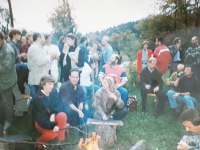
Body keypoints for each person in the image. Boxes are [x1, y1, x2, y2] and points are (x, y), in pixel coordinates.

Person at [32, 75, 67, 150]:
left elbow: (59, 105)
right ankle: (39, 142)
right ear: (43, 84)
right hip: (40, 122)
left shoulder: (53, 91)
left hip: (51, 117)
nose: (52, 86)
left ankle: (59, 143)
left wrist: (53, 114)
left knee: (62, 115)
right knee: (52, 135)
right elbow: (41, 119)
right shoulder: (37, 98)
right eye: (49, 84)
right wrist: (53, 125)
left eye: (53, 84)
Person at [0, 31, 17, 130]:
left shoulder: (8, 51)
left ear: (0, 40)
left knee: (7, 102)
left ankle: (8, 121)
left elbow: (6, 67)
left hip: (6, 81)